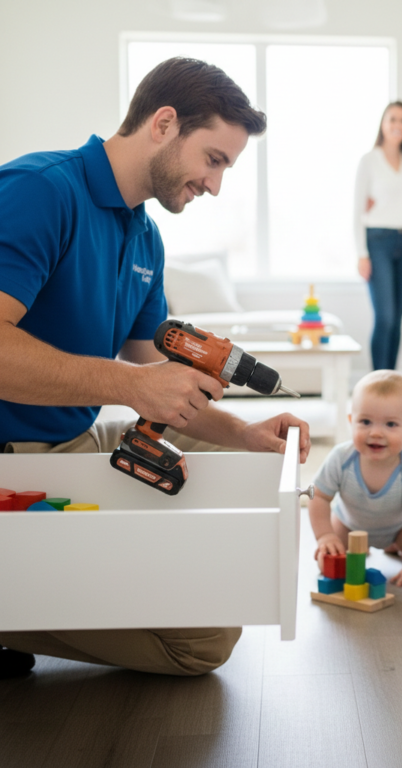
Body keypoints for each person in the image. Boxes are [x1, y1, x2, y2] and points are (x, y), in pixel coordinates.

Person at [0, 57, 311, 680]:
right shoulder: (41, 191)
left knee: (232, 450)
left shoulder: (145, 238)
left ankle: (82, 574)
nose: (215, 186)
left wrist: (246, 435)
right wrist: (133, 385)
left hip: (73, 435)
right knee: (203, 642)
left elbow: (158, 375)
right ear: (164, 124)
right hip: (17, 454)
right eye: (214, 160)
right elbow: (137, 380)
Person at [308, 370, 402, 588]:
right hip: (349, 525)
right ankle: (358, 547)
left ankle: (394, 546)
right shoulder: (341, 459)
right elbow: (318, 496)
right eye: (366, 421)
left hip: (399, 529)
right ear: (351, 421)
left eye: (391, 424)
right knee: (328, 564)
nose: (376, 433)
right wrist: (325, 535)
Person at [353, 101, 402, 371]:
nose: (398, 125)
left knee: (398, 319)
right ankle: (377, 381)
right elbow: (357, 210)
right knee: (385, 317)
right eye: (392, 119)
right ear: (383, 124)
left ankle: (391, 380)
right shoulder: (369, 160)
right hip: (378, 241)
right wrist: (361, 254)